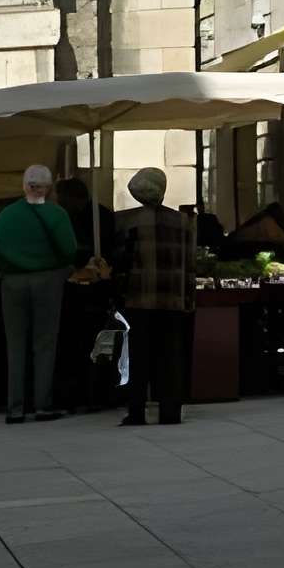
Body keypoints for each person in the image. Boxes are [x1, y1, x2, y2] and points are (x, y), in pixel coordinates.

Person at [0, 165, 79, 423]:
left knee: (15, 344)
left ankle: (15, 408)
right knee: (44, 343)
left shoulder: (8, 214)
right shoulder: (56, 214)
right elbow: (69, 249)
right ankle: (42, 405)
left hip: (13, 281)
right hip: (48, 280)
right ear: (49, 188)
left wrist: (7, 267)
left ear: (25, 186)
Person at [112, 167, 196, 427]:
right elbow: (190, 265)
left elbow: (122, 262)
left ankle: (136, 411)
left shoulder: (126, 222)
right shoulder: (184, 222)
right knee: (170, 357)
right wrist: (189, 299)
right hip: (173, 298)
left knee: (138, 357)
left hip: (139, 298)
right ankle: (170, 411)